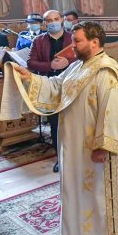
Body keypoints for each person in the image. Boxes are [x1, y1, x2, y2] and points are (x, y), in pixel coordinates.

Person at [8, 22, 118, 235]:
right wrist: (30, 78)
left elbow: (112, 112)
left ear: (94, 42)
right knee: (79, 196)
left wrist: (103, 146)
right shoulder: (77, 66)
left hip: (96, 148)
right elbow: (57, 86)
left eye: (77, 41)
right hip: (74, 147)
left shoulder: (106, 70)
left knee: (102, 195)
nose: (72, 46)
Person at [28, 9, 75, 172]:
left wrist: (69, 62)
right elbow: (31, 63)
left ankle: (77, 157)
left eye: (56, 19)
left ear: (61, 20)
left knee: (74, 123)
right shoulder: (39, 40)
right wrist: (50, 65)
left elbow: (84, 58)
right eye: (49, 20)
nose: (53, 22)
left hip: (72, 85)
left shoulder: (72, 37)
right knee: (55, 124)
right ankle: (60, 159)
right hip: (50, 86)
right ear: (44, 23)